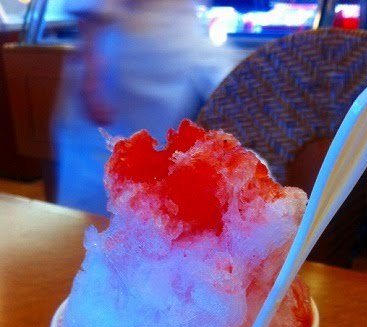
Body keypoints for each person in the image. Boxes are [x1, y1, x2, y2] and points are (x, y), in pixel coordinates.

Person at [53, 0, 238, 215]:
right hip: (125, 66)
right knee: (106, 183)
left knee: (147, 184)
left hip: (167, 60)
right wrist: (92, 77)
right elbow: (92, 16)